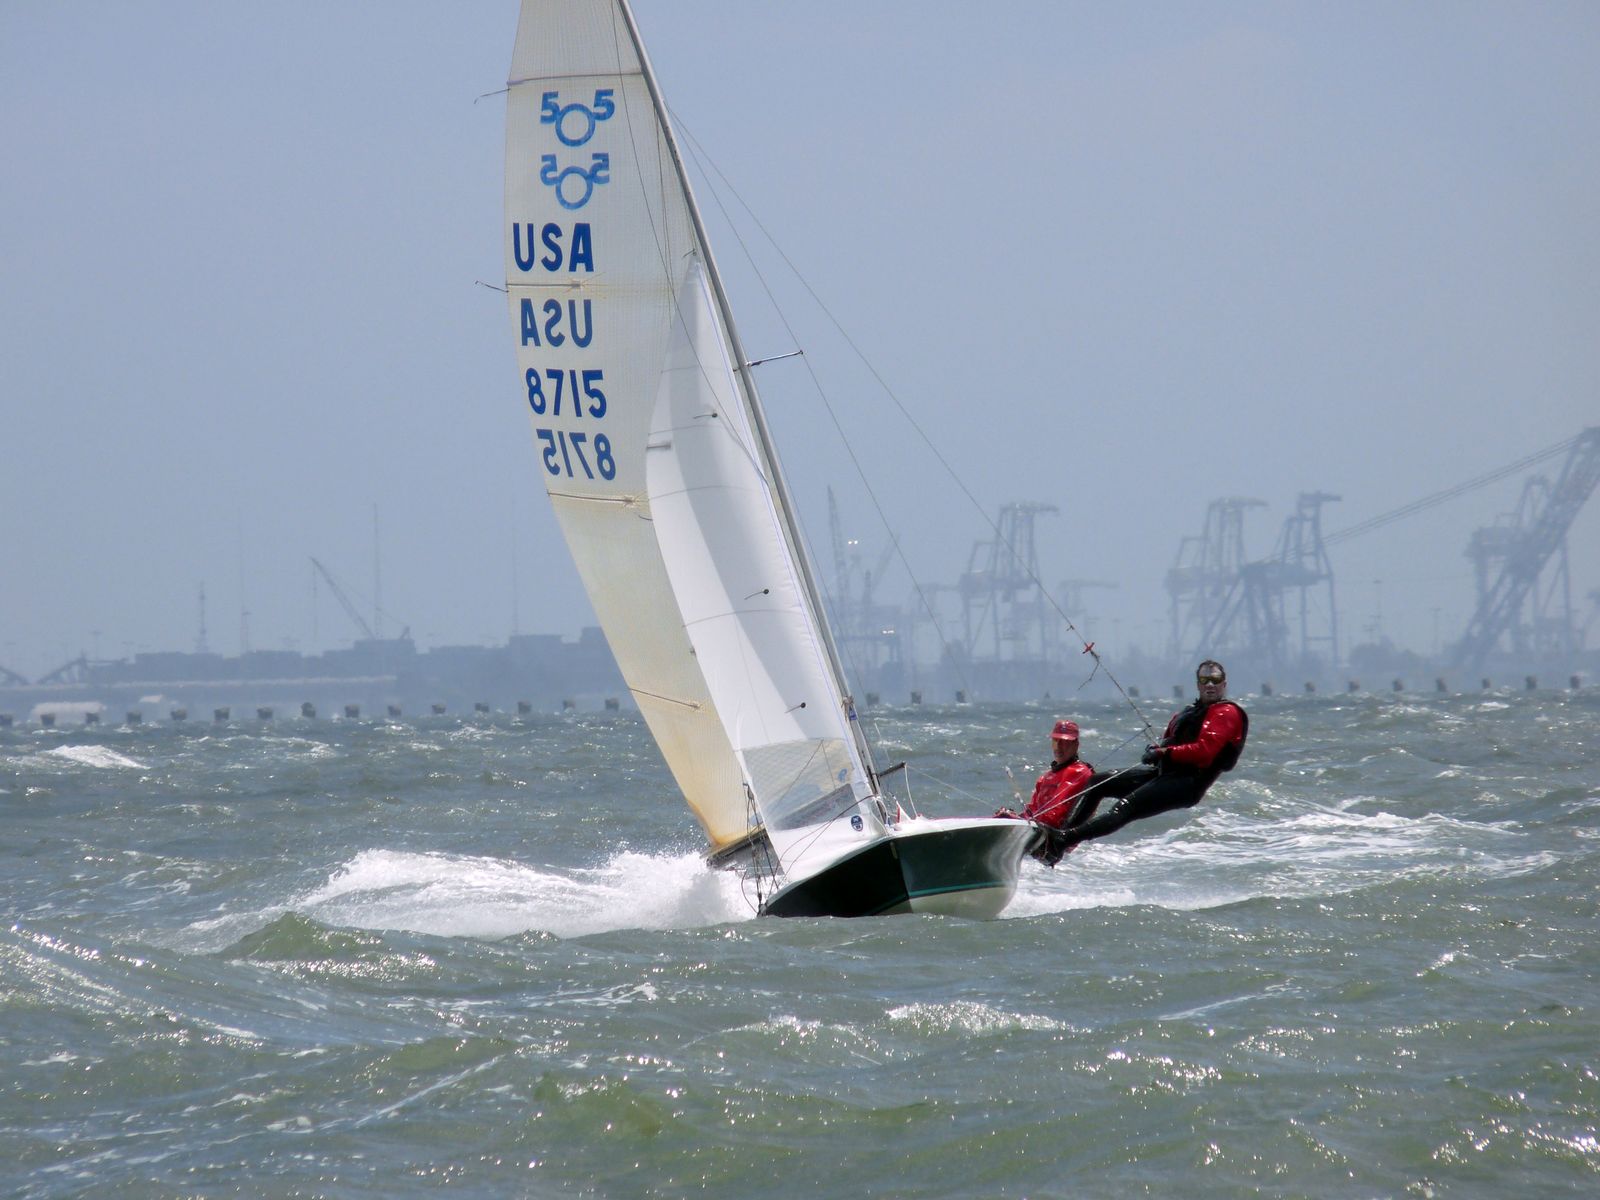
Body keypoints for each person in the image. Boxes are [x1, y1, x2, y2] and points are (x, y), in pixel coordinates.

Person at [1048, 659, 1248, 856]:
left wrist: (1164, 753)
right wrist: (1156, 750)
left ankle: (1061, 840)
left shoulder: (1226, 712)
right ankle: (1059, 837)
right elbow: (1171, 742)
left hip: (1188, 783)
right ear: (1198, 685)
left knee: (1124, 808)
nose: (1210, 684)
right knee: (1098, 782)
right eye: (1204, 680)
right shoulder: (1189, 712)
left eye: (1215, 680)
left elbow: (1204, 752)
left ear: (1224, 684)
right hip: (1164, 774)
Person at [995, 719, 1095, 864]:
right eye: (1056, 742)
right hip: (1040, 837)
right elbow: (1034, 811)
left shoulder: (1078, 772)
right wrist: (1014, 817)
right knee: (1001, 818)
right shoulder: (1046, 777)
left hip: (1056, 843)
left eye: (1065, 743)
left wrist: (1018, 821)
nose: (1059, 748)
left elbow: (1056, 815)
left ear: (1076, 745)